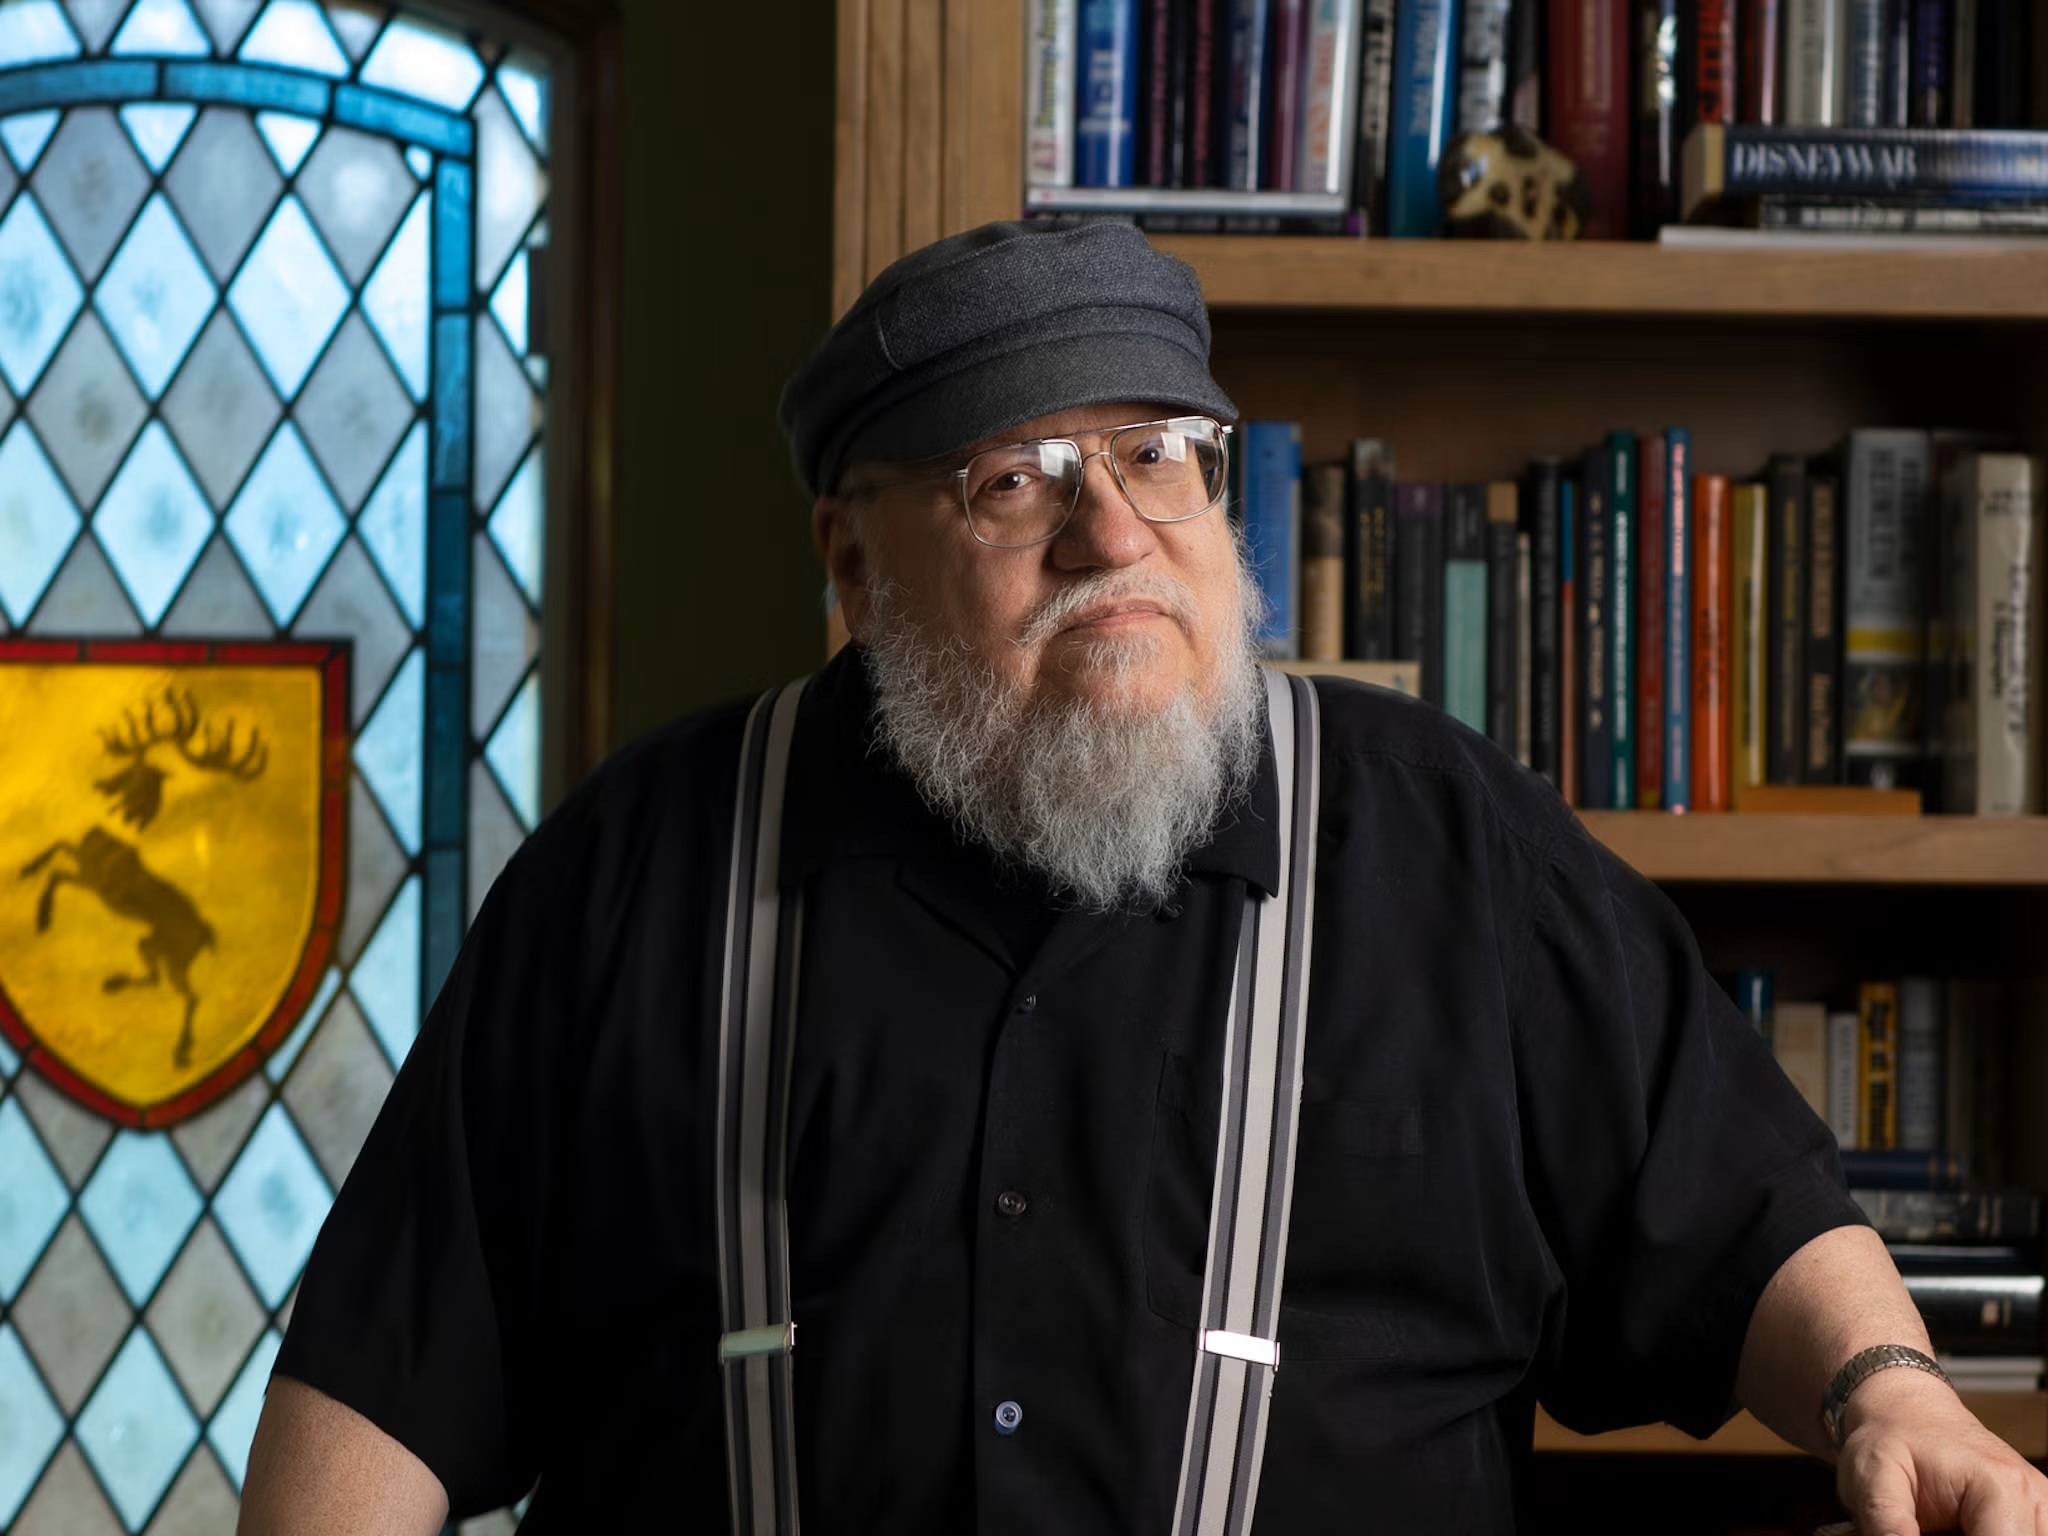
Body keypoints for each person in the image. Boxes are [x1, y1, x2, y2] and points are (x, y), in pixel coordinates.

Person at [241, 220, 2048, 1534]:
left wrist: (1893, 1395)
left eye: (1159, 457)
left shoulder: (1445, 841)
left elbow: (1738, 1208)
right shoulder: (636, 870)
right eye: (1016, 481)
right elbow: (381, 1392)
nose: (1112, 533)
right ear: (854, 568)